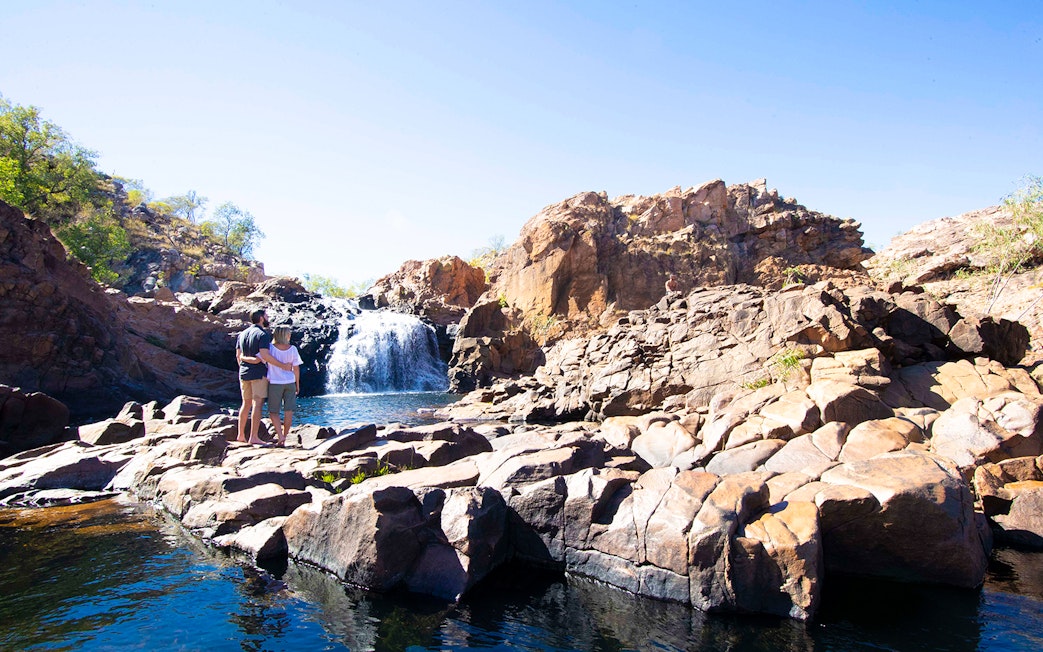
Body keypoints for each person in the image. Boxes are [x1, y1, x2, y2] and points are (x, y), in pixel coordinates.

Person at [235, 309, 290, 444]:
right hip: (258, 373)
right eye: (266, 316)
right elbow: (265, 355)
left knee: (245, 404)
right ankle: (253, 437)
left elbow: (238, 356)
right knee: (257, 404)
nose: (267, 318)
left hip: (244, 373)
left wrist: (244, 367)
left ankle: (241, 435)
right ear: (260, 318)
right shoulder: (262, 334)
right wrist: (283, 366)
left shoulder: (242, 334)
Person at [265, 325, 303, 447]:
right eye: (289, 333)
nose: (290, 335)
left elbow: (262, 359)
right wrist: (297, 384)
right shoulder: (293, 349)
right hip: (290, 382)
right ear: (285, 335)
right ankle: (284, 437)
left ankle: (280, 436)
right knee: (289, 411)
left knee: (273, 411)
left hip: (275, 383)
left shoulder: (270, 348)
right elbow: (296, 368)